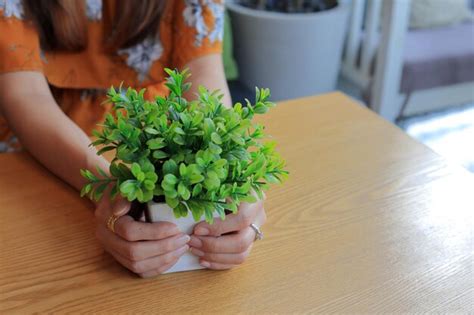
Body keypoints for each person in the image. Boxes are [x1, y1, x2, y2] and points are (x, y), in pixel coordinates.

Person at [0, 0, 266, 278]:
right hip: (42, 146)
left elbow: (201, 71)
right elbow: (25, 94)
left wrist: (235, 173)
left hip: (154, 132)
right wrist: (107, 190)